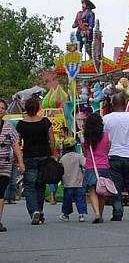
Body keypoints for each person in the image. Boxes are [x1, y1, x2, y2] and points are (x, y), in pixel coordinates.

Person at [103, 93, 129, 221]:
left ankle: (118, 212)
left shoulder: (106, 119)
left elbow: (103, 139)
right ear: (125, 103)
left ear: (113, 104)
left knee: (116, 186)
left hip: (113, 156)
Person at [16, 97, 54, 225]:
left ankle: (34, 211)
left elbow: (18, 142)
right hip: (44, 156)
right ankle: (40, 209)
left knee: (29, 186)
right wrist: (52, 153)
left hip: (29, 156)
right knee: (40, 185)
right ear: (38, 108)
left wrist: (19, 159)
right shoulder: (45, 122)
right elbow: (52, 140)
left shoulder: (21, 124)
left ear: (26, 109)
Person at [0, 99, 25, 231]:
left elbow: (16, 146)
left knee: (0, 193)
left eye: (3, 108)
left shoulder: (9, 127)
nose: (0, 110)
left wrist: (21, 163)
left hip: (4, 164)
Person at [83, 112, 111, 224]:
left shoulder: (86, 137)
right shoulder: (107, 135)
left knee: (93, 190)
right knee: (102, 191)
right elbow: (107, 150)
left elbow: (85, 154)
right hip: (104, 165)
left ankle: (97, 214)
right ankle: (101, 213)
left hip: (91, 166)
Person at [58, 138, 87, 222]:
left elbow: (60, 169)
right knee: (80, 199)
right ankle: (81, 215)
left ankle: (66, 215)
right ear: (74, 147)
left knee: (67, 200)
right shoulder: (78, 156)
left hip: (68, 183)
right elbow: (85, 164)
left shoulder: (63, 158)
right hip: (78, 182)